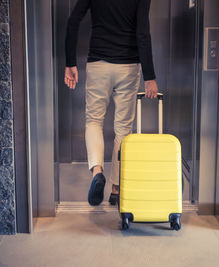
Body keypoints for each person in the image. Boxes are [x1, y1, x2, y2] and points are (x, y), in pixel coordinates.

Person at [64, 0, 158, 206]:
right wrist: (150, 77)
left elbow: (73, 21)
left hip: (98, 64)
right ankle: (116, 188)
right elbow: (143, 32)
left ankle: (97, 171)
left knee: (94, 121)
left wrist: (70, 62)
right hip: (128, 66)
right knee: (123, 128)